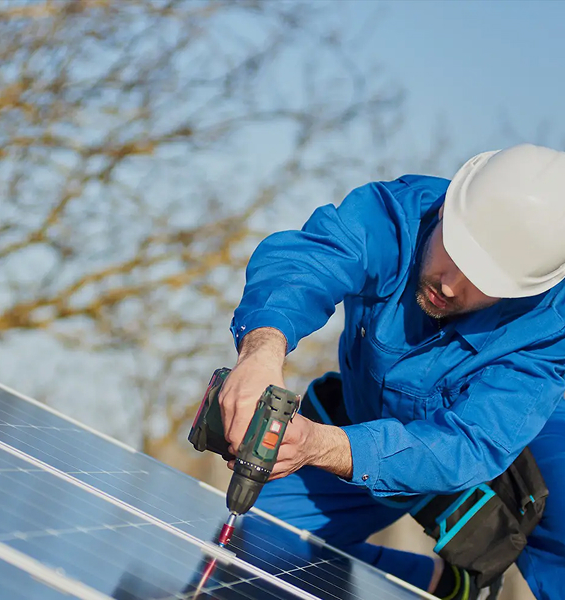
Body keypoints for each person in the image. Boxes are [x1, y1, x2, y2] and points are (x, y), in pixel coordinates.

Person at [221, 143, 565, 599]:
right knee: (249, 543)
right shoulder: (393, 217)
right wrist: (262, 351)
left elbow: (471, 442)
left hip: (510, 443)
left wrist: (323, 445)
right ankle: (447, 586)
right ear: (446, 208)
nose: (450, 284)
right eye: (454, 253)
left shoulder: (545, 330)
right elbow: (309, 262)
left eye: (485, 283)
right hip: (363, 424)